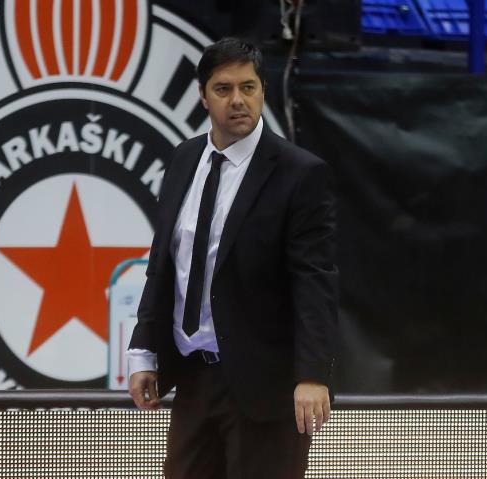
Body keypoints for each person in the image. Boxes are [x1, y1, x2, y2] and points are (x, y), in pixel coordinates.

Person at [128, 37, 338, 479]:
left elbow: (313, 279)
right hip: (192, 378)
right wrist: (144, 351)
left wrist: (313, 374)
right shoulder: (185, 158)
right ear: (203, 96)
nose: (238, 100)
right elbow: (164, 263)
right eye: (223, 89)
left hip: (267, 385)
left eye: (248, 87)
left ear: (263, 91)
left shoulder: (300, 172)